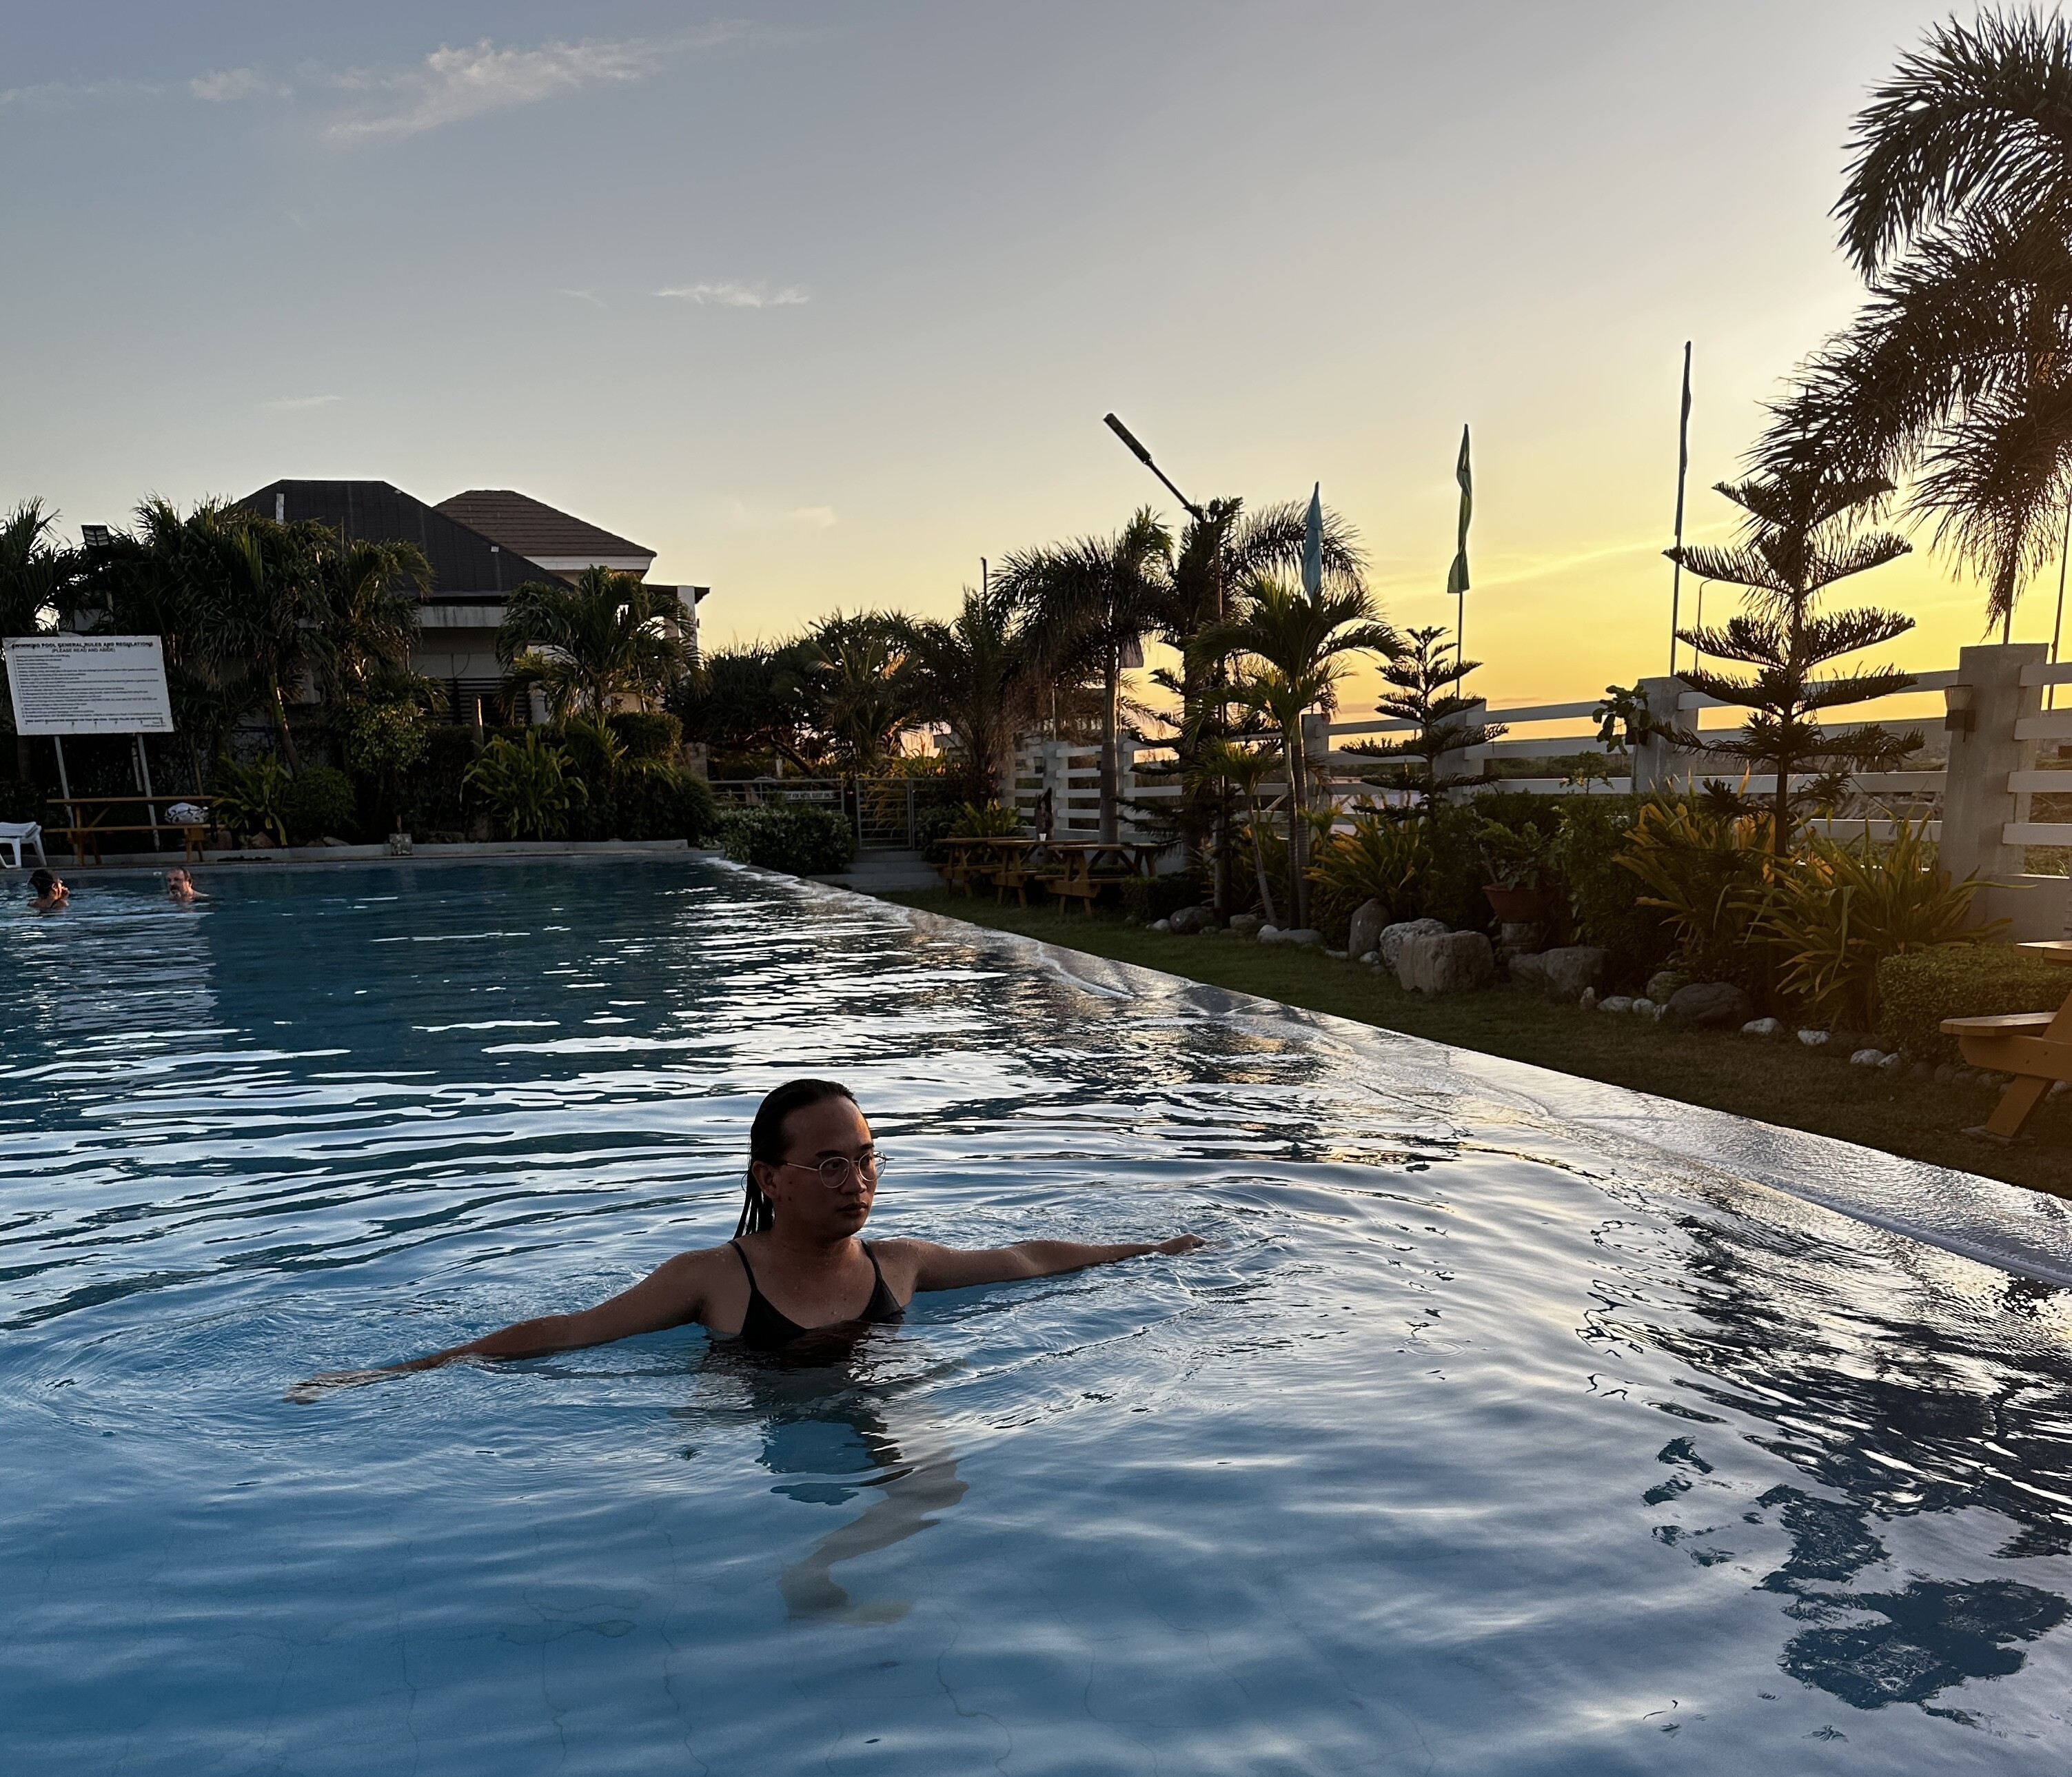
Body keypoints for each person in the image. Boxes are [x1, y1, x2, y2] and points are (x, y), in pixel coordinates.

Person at [301, 1078, 1202, 1388]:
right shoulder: (713, 1278)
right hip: (749, 1424)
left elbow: (1028, 1259)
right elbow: (573, 1331)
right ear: (769, 1179)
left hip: (866, 1401)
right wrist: (404, 1370)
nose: (858, 1182)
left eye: (867, 1159)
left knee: (924, 1483)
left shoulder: (899, 1264)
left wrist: (1149, 1251)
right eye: (830, 1165)